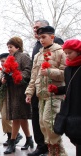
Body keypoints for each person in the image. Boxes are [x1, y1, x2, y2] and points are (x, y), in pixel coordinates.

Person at [25, 26, 67, 155]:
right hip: (41, 94)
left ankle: (58, 152)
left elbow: (66, 73)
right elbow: (33, 76)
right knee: (43, 124)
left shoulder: (61, 52)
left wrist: (49, 72)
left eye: (44, 37)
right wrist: (29, 92)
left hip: (54, 94)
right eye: (39, 37)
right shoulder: (38, 55)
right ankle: (52, 151)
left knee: (49, 122)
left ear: (52, 37)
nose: (41, 40)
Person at [2, 37, 33, 154]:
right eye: (8, 47)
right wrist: (5, 77)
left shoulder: (23, 56)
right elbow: (5, 71)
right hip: (12, 90)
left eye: (11, 47)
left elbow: (28, 71)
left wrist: (16, 75)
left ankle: (12, 142)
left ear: (17, 47)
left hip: (21, 91)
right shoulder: (10, 58)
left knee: (16, 117)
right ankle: (29, 139)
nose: (9, 49)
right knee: (21, 117)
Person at [53, 39, 81, 156]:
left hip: (79, 108)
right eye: (66, 53)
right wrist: (57, 90)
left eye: (70, 52)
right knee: (74, 136)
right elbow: (69, 87)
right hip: (70, 108)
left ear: (78, 52)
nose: (68, 55)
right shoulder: (68, 69)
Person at [0, 53, 23, 147]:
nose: (2, 63)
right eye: (1, 61)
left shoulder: (12, 70)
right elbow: (1, 85)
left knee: (6, 117)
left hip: (9, 96)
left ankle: (16, 135)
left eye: (3, 61)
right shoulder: (2, 71)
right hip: (3, 96)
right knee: (4, 119)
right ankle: (10, 136)